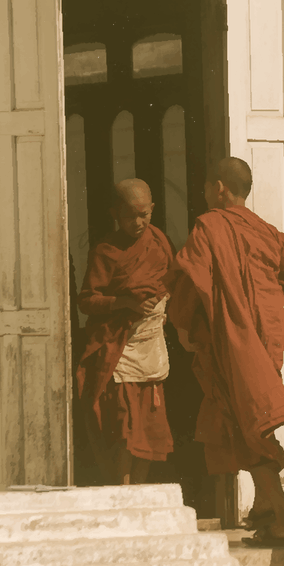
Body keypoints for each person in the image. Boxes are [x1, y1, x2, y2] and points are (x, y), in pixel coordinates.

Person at [168, 157, 284, 546]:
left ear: (219, 188)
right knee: (248, 417)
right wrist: (261, 304)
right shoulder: (268, 232)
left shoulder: (209, 225)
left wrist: (186, 326)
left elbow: (191, 283)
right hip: (266, 339)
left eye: (207, 188)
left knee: (249, 425)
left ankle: (283, 518)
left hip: (234, 340)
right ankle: (264, 508)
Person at [77, 178, 174, 485]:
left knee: (148, 425)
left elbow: (172, 282)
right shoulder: (106, 251)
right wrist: (124, 302)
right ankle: (123, 489)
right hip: (120, 347)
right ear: (115, 213)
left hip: (151, 345)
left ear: (152, 210)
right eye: (130, 214)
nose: (138, 222)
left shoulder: (160, 243)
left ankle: (141, 491)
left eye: (144, 214)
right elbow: (87, 301)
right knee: (124, 425)